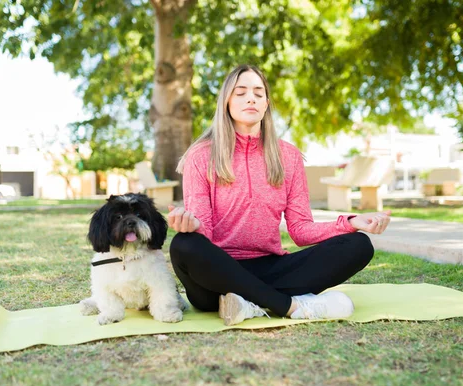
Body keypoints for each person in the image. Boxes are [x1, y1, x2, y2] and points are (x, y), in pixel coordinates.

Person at [167, 64, 391, 326]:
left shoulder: (288, 156)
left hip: (271, 268)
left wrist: (350, 223)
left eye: (258, 93)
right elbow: (203, 237)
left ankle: (249, 303)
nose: (250, 98)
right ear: (226, 102)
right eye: (240, 92)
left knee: (358, 245)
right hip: (217, 277)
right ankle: (290, 306)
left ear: (266, 104)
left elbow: (300, 230)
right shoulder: (201, 156)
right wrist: (192, 226)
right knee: (184, 245)